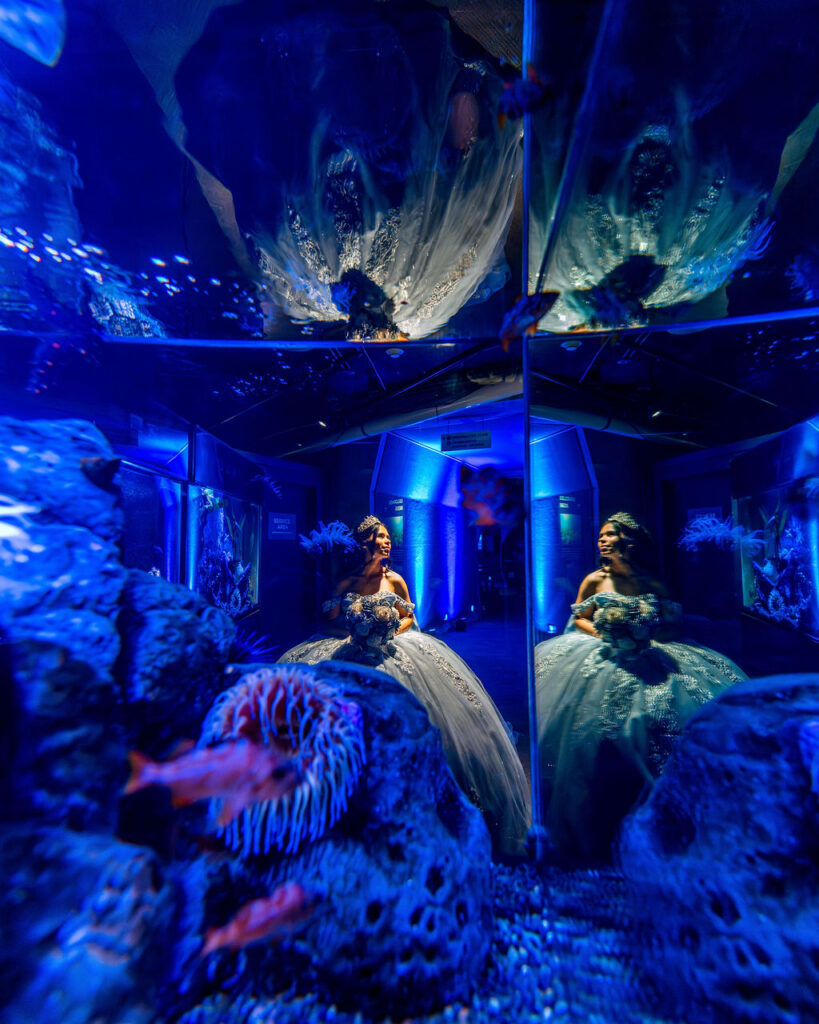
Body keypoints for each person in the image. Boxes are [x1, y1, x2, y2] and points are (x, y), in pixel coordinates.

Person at [279, 514, 531, 856]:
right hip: (350, 648)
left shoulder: (395, 580)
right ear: (365, 542)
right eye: (380, 536)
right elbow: (328, 618)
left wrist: (387, 632)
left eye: (387, 537)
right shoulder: (346, 579)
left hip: (395, 649)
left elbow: (410, 616)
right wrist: (354, 629)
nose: (387, 541)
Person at [535, 511, 746, 864]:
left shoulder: (652, 583)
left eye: (608, 535)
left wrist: (646, 634)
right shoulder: (593, 580)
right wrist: (608, 634)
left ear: (627, 540)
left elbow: (670, 625)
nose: (601, 540)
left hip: (649, 653)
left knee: (667, 713)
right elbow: (579, 618)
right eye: (599, 535)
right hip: (601, 653)